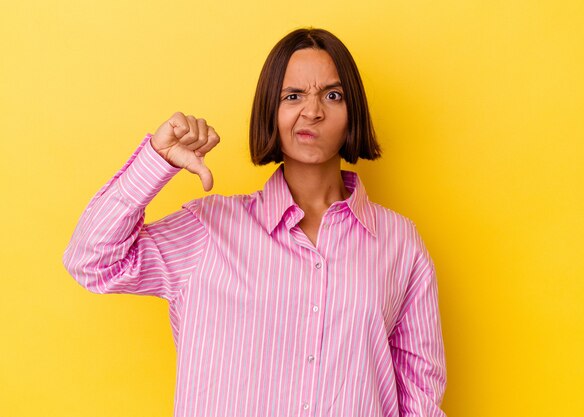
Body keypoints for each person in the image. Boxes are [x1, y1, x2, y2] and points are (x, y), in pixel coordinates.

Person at [63, 28, 447, 417]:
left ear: (353, 115)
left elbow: (419, 394)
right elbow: (91, 262)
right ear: (270, 111)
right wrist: (156, 161)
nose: (312, 111)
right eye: (292, 96)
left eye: (332, 95)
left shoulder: (398, 242)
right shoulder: (208, 230)